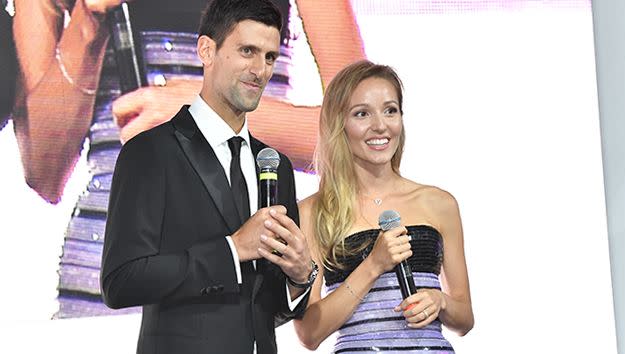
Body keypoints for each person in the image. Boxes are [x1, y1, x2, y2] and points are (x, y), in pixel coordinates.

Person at [11, 0, 364, 318]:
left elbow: (360, 135)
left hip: (239, 281)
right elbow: (43, 171)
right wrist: (87, 22)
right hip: (110, 283)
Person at [100, 1, 317, 353]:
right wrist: (232, 250)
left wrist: (299, 276)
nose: (260, 70)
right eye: (247, 51)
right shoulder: (150, 151)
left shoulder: (275, 165)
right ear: (206, 50)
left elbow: (268, 306)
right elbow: (120, 281)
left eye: (270, 57)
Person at [294, 60, 474, 353]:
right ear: (338, 124)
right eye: (362, 114)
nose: (380, 125)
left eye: (390, 110)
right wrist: (374, 264)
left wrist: (440, 301)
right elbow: (309, 333)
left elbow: (464, 317)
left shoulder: (439, 204)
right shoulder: (313, 213)